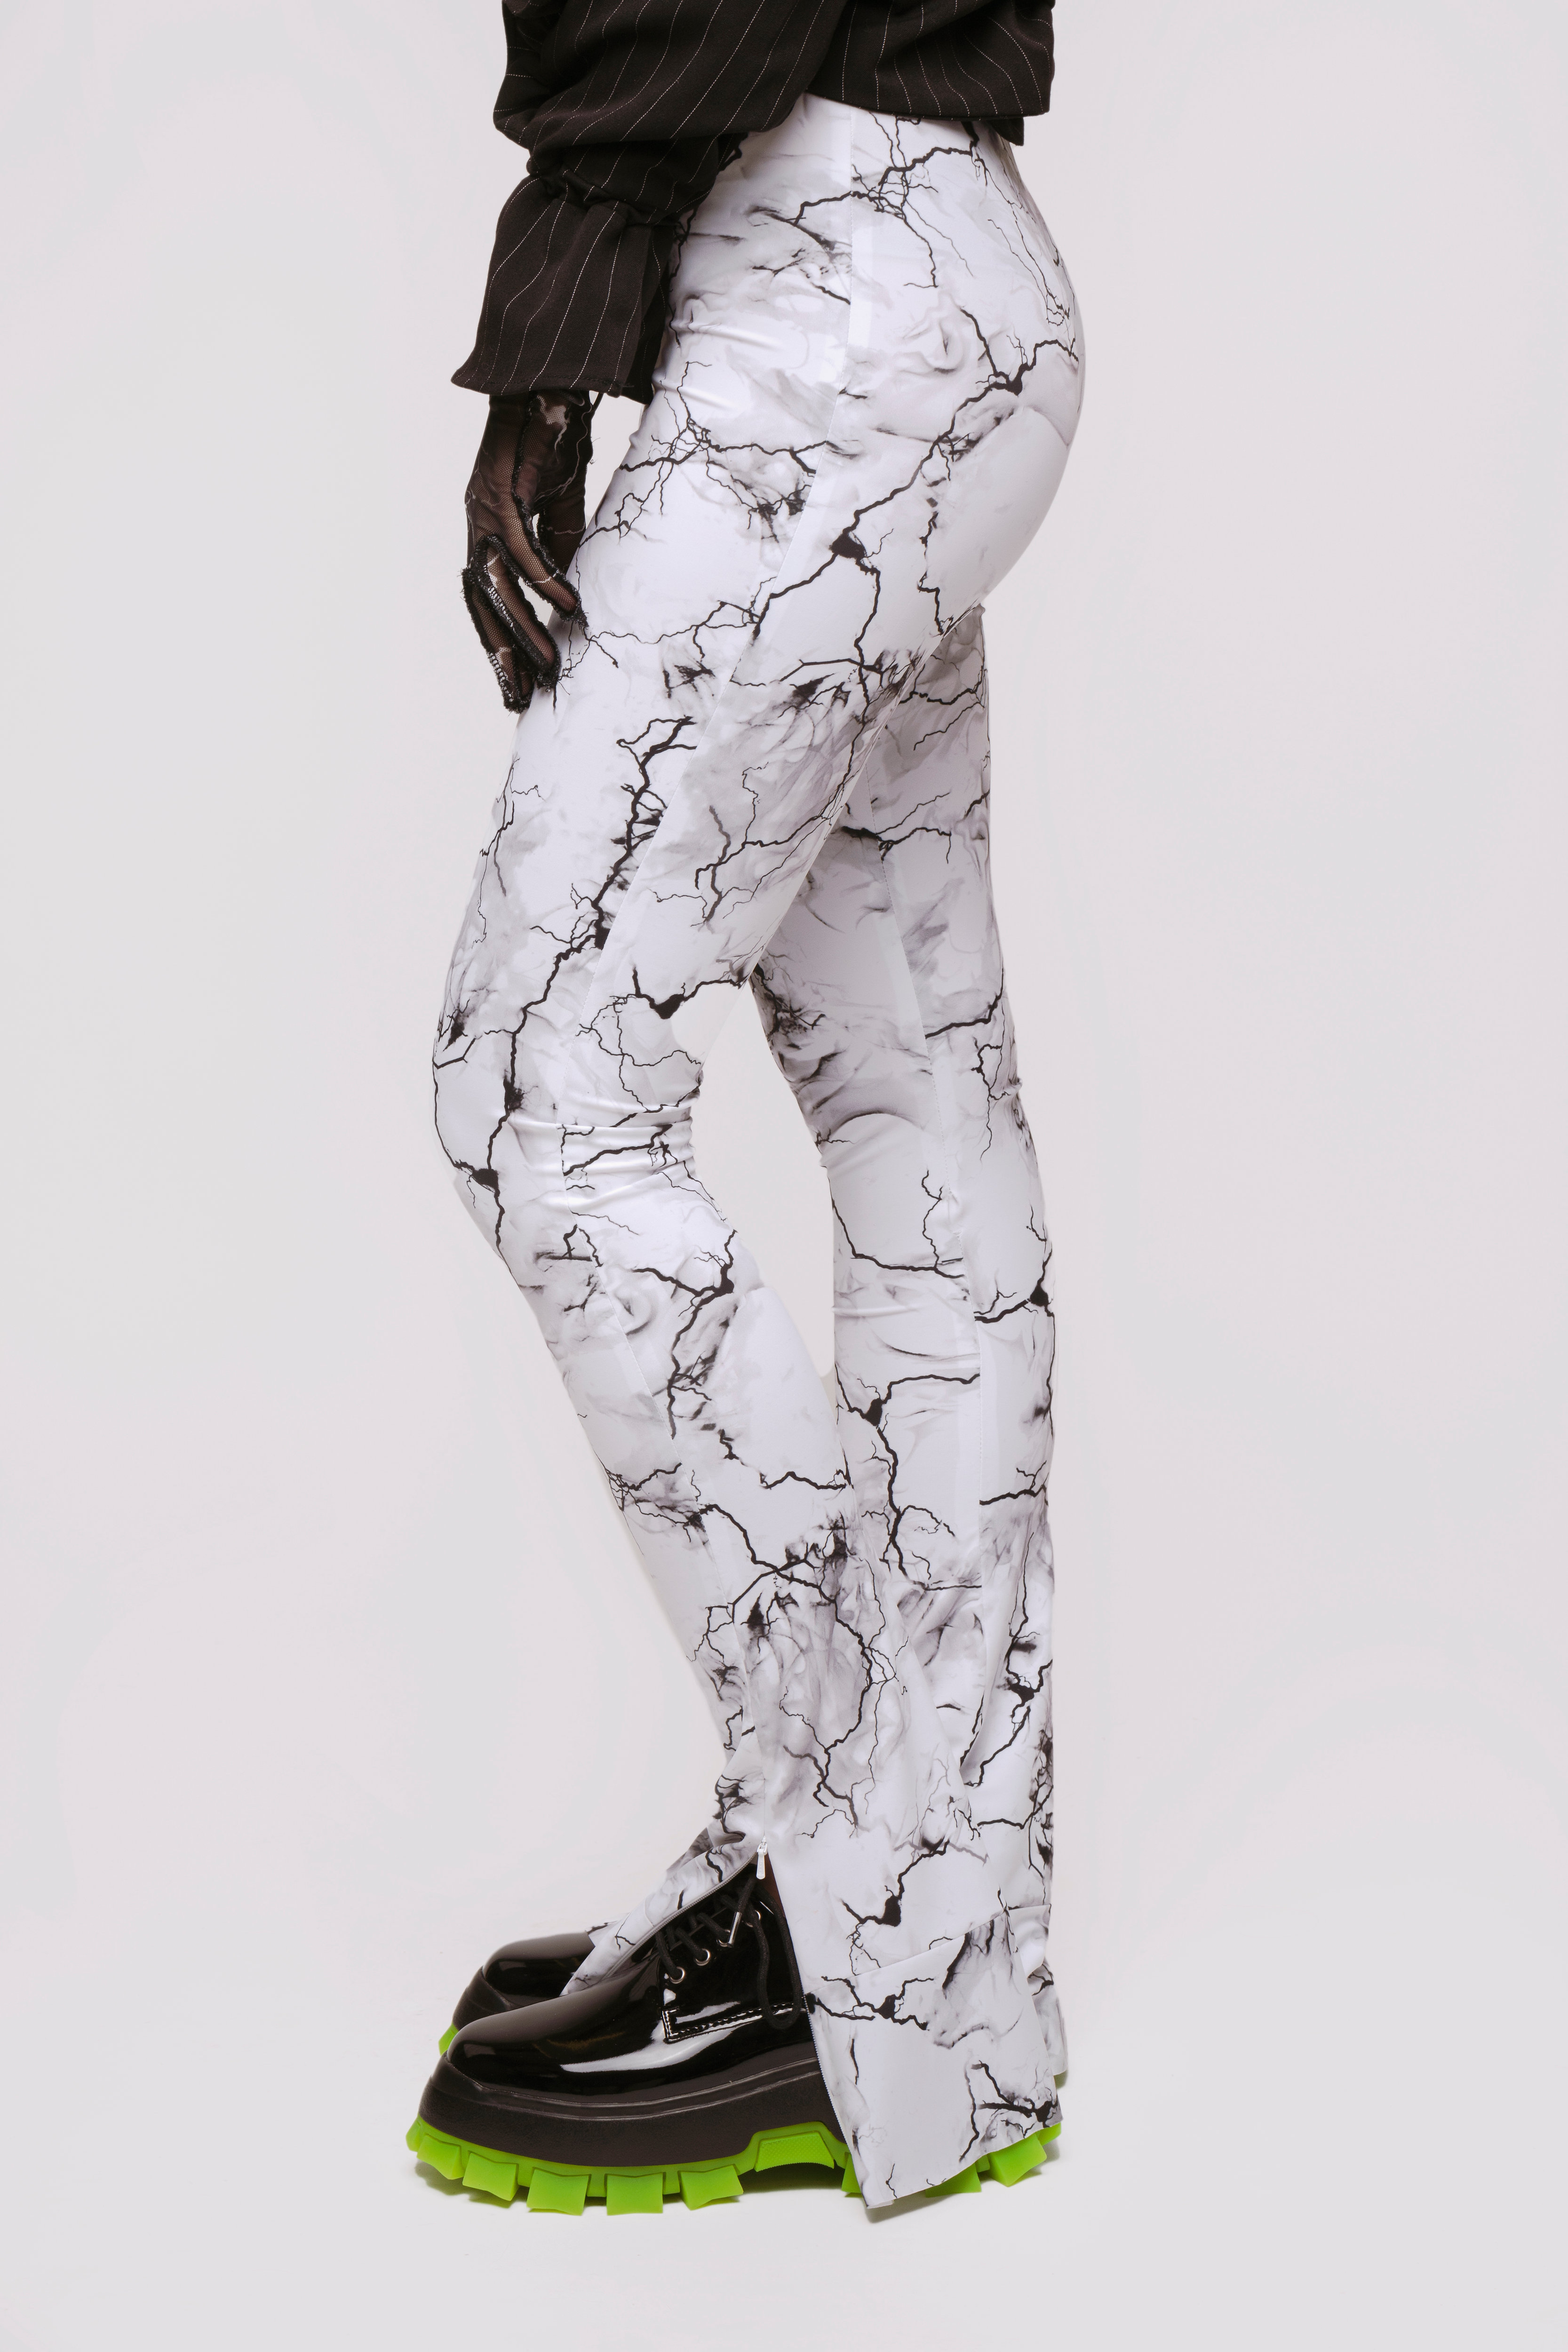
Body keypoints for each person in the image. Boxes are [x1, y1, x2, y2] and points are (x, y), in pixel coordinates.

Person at [406, 0, 1085, 2217]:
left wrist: (555, 319)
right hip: (945, 269)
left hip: (824, 296)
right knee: (919, 1112)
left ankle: (877, 1919)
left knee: (539, 1079)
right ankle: (934, 1966)